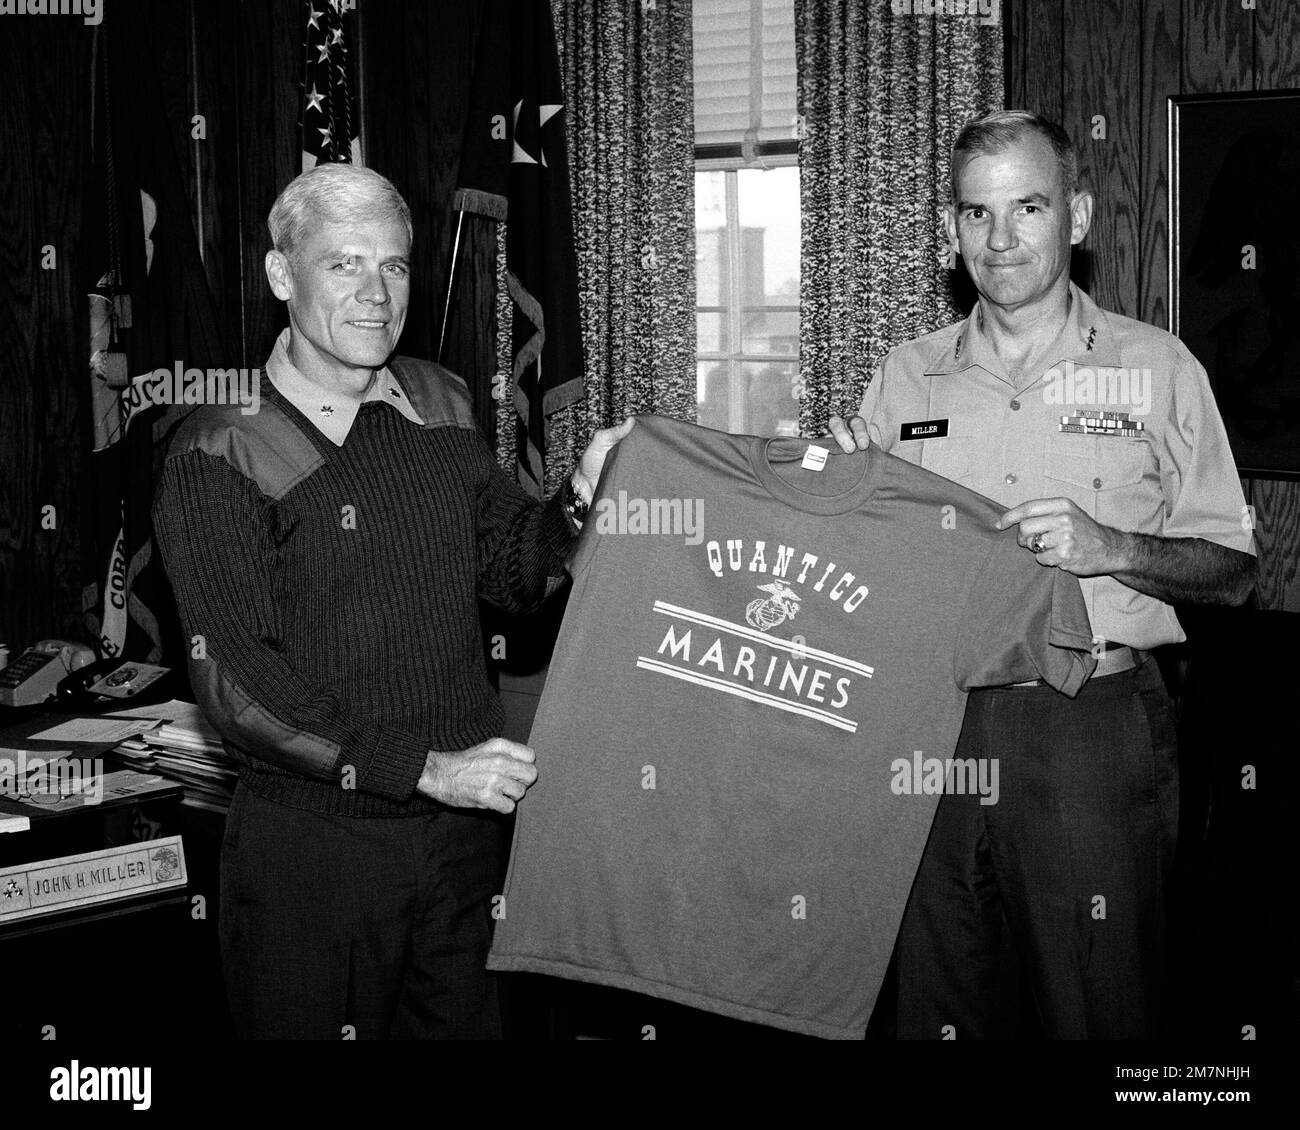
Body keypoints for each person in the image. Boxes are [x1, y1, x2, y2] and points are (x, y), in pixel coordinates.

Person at [152, 162, 631, 1039]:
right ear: (281, 275)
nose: (377, 294)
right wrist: (425, 768)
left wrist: (579, 496)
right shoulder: (221, 445)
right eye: (344, 264)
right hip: (314, 862)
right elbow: (240, 688)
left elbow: (514, 575)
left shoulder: (440, 399)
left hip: (463, 851)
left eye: (396, 266)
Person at [828, 110, 1257, 1039]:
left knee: (1100, 1009)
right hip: (930, 727)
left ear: (1079, 216)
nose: (1001, 237)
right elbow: (861, 573)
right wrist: (847, 488)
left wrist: (1118, 548)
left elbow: (1231, 572)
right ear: (952, 230)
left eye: (1027, 206)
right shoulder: (906, 378)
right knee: (937, 1007)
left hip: (1087, 730)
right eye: (976, 213)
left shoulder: (1157, 369)